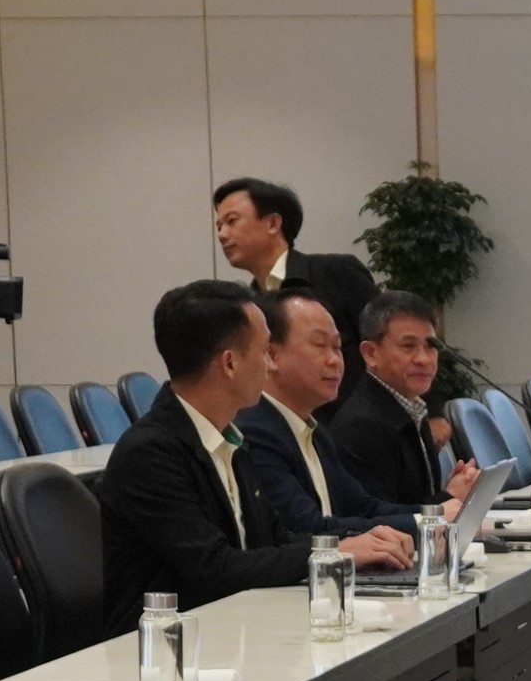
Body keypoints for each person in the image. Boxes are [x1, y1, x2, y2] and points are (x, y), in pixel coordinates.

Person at [100, 280, 311, 631]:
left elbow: (274, 539)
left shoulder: (229, 440)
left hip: (229, 627)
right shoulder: (150, 454)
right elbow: (215, 570)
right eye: (264, 352)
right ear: (229, 363)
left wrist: (344, 547)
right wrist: (334, 554)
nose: (270, 366)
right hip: (163, 647)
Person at [232, 286, 421, 571]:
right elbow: (308, 526)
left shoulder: (315, 430)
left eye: (337, 347)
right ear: (271, 355)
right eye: (320, 346)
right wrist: (428, 523)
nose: (335, 360)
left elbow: (364, 506)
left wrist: (433, 517)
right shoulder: (255, 432)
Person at [213, 175, 379, 408]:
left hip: (355, 422)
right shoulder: (247, 306)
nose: (222, 234)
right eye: (219, 226)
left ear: (273, 223)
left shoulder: (337, 272)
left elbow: (388, 343)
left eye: (232, 221)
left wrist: (429, 412)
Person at [324, 289, 471, 510]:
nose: (423, 359)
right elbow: (374, 520)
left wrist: (450, 490)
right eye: (408, 346)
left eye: (431, 346)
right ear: (370, 353)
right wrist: (448, 498)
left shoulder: (412, 407)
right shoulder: (362, 425)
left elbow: (412, 500)